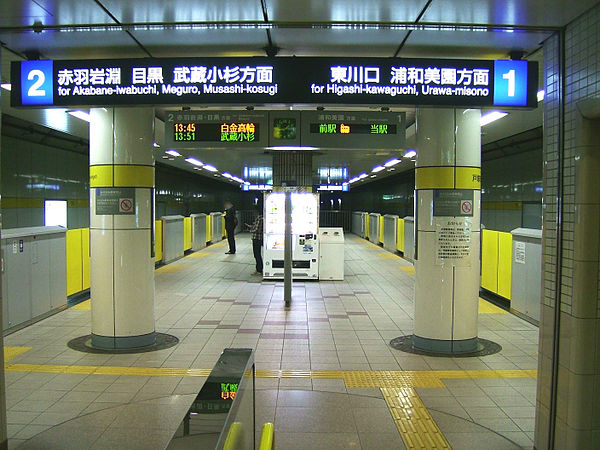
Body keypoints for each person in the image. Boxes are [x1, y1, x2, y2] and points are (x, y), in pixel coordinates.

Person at [246, 204, 264, 275]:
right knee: (256, 254)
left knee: (257, 254)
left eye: (254, 211)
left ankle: (259, 269)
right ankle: (258, 268)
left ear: (256, 211)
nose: (253, 213)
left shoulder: (260, 218)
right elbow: (256, 227)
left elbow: (257, 229)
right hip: (256, 238)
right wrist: (252, 227)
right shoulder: (258, 218)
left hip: (257, 238)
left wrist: (250, 230)